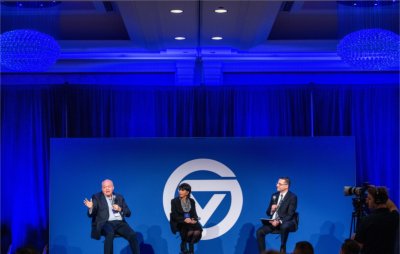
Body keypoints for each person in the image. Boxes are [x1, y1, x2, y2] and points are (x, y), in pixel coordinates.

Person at [83, 179, 140, 254]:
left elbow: (128, 213)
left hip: (120, 223)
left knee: (132, 235)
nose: (107, 189)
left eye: (109, 187)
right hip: (105, 223)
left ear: (113, 187)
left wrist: (120, 209)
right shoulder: (96, 197)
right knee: (110, 233)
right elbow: (91, 214)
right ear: (102, 189)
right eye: (104, 187)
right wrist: (91, 207)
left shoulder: (119, 197)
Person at [256, 177, 298, 254]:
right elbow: (268, 213)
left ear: (286, 186)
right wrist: (272, 210)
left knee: (284, 226)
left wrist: (279, 221)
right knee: (259, 231)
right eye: (277, 183)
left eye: (279, 184)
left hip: (286, 222)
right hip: (273, 222)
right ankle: (262, 253)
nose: (277, 185)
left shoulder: (292, 197)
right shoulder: (274, 195)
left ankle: (282, 248)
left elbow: (290, 214)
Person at [354, 186, 399, 254]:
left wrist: (354, 239)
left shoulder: (366, 220)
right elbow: (393, 206)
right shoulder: (394, 217)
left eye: (369, 199)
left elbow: (358, 246)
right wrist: (380, 194)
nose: (366, 201)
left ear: (377, 201)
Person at [170, 183, 202, 254]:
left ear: (187, 192)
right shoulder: (174, 201)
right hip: (180, 221)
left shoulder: (192, 201)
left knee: (197, 230)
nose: (180, 191)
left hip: (190, 221)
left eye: (182, 190)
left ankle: (190, 248)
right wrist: (184, 219)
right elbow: (174, 215)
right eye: (179, 190)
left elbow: (194, 213)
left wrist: (194, 219)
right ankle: (185, 247)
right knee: (189, 230)